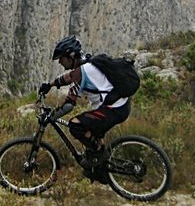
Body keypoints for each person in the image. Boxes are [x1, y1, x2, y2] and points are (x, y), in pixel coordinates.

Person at [38, 35, 132, 181]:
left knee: (75, 125)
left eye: (61, 58)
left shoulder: (81, 72)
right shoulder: (86, 65)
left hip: (114, 109)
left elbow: (69, 104)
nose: (60, 62)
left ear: (70, 55)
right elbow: (68, 77)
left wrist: (51, 117)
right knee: (92, 131)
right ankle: (101, 171)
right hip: (119, 105)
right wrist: (50, 85)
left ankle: (100, 157)